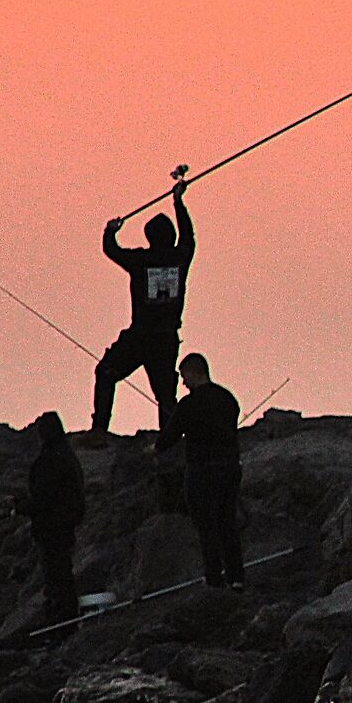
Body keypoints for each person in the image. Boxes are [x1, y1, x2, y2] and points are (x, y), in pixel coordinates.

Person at [93, 177, 195, 437]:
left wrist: (110, 230)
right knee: (166, 395)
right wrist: (178, 202)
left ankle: (99, 431)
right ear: (170, 237)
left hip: (140, 336)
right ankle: (169, 439)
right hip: (165, 338)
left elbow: (111, 250)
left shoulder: (141, 260)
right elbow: (188, 237)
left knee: (106, 373)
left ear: (149, 238)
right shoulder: (179, 258)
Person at [172, 351, 245, 589]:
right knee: (227, 523)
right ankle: (236, 578)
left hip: (201, 471)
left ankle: (214, 578)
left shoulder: (189, 404)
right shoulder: (227, 398)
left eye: (184, 376)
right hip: (229, 468)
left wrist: (154, 449)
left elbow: (171, 434)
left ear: (195, 372)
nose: (183, 383)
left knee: (206, 526)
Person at [15, 411, 86, 624]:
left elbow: (43, 499)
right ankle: (64, 620)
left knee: (57, 578)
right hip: (65, 525)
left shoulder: (49, 460)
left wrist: (19, 507)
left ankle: (62, 622)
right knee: (62, 575)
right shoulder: (68, 456)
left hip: (51, 528)